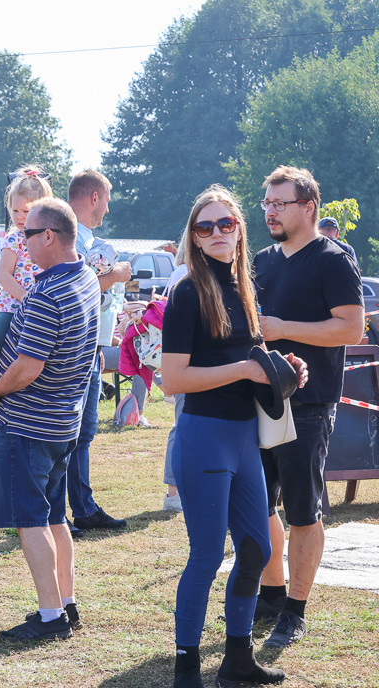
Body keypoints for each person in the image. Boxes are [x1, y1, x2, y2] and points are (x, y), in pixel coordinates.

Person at [161, 185, 298, 688]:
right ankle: (186, 668)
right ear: (194, 238)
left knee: (257, 550)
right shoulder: (186, 292)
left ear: (240, 229)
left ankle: (237, 660)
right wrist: (244, 368)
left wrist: (285, 369)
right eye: (206, 226)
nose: (217, 232)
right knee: (205, 554)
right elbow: (171, 380)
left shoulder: (244, 287)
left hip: (245, 437)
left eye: (226, 223)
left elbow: (251, 359)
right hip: (205, 435)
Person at [0, 197, 99, 641]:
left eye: (26, 235)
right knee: (55, 517)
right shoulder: (84, 278)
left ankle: (50, 617)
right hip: (62, 422)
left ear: (48, 236)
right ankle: (67, 602)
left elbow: (28, 366)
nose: (21, 245)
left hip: (29, 425)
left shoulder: (47, 293)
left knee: (32, 521)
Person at [254, 166, 364, 649]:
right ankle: (271, 591)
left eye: (280, 203)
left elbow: (350, 329)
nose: (271, 211)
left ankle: (296, 609)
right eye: (267, 203)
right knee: (257, 504)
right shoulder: (260, 260)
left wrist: (281, 326)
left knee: (302, 509)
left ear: (309, 208)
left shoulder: (333, 260)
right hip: (256, 399)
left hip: (310, 402)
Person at [64, 170, 131, 534]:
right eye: (106, 197)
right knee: (67, 432)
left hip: (91, 347)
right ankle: (56, 511)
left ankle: (83, 506)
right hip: (72, 349)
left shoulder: (89, 239)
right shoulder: (68, 237)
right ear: (93, 198)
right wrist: (117, 275)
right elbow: (79, 287)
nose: (107, 205)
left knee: (84, 430)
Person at [0, 166, 51, 386]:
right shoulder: (14, 238)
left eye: (26, 212)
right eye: (15, 211)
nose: (19, 217)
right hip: (12, 303)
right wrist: (25, 297)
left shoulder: (50, 238)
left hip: (43, 303)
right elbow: (4, 275)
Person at [162, 240, 189, 513]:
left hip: (186, 364)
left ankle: (176, 492)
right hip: (185, 365)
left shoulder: (180, 273)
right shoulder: (184, 275)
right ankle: (173, 493)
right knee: (181, 427)